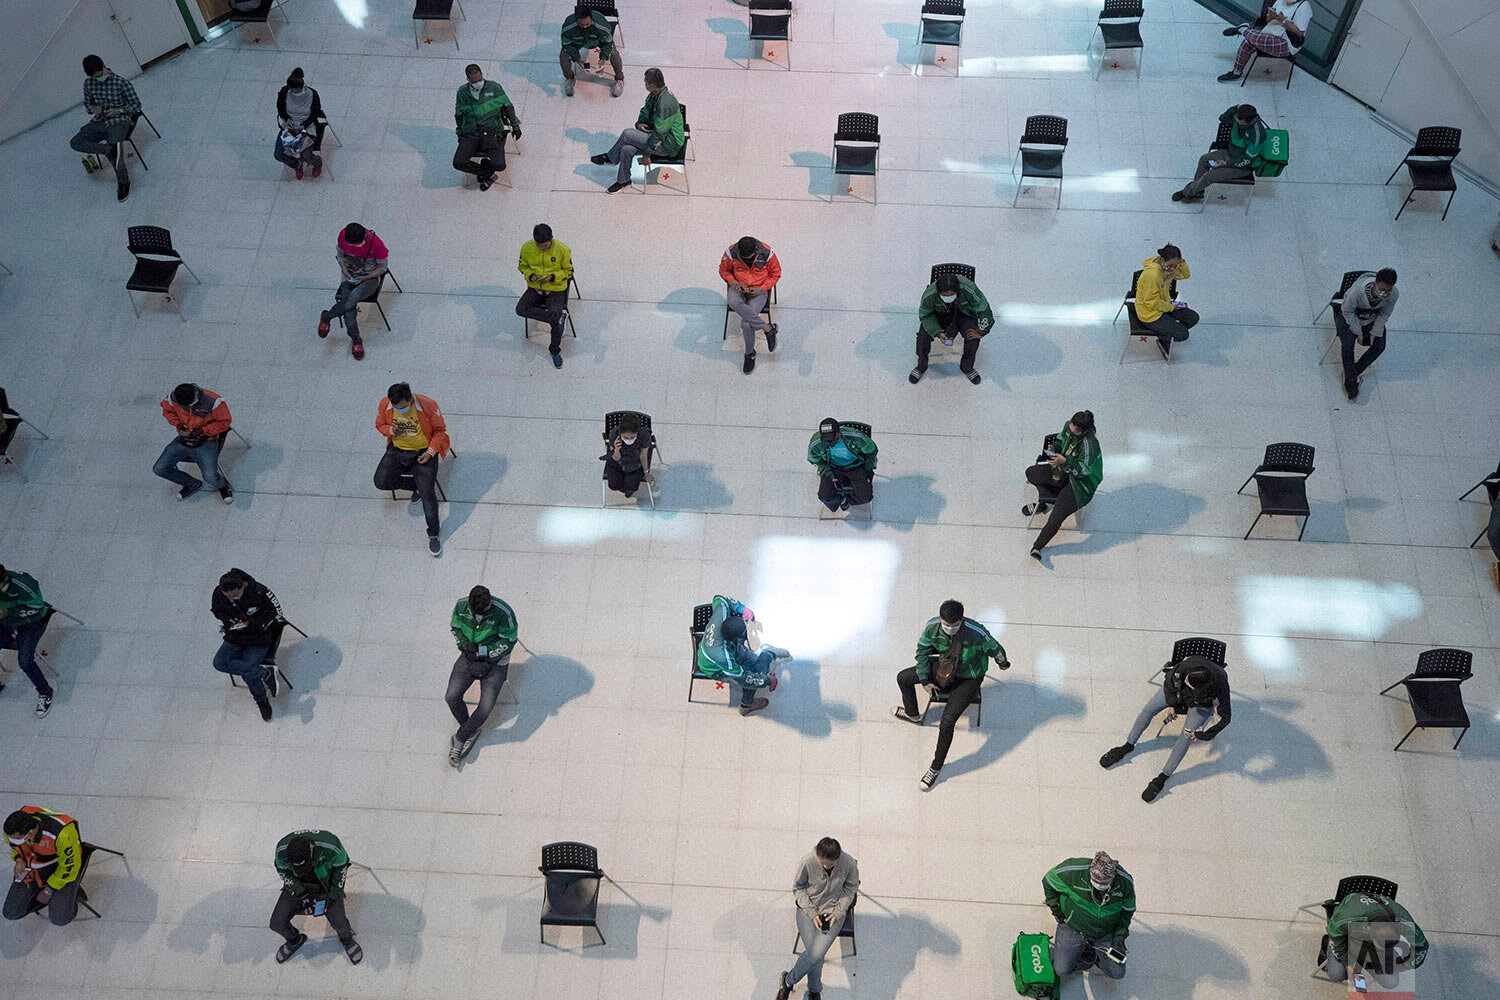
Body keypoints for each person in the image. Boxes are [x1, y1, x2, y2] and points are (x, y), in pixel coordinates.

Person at [892, 599, 1009, 790]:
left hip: (968, 678)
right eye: (946, 625)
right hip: (945, 667)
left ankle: (936, 768)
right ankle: (913, 715)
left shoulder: (976, 632)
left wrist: (1002, 663)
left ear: (961, 620)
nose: (949, 628)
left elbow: (996, 649)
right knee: (903, 678)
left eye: (954, 625)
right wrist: (925, 679)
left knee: (947, 722)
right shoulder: (932, 627)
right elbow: (922, 651)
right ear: (940, 619)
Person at [1099, 654, 1232, 802]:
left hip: (1201, 704)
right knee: (1148, 709)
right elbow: (1171, 682)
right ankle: (1128, 745)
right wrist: (1172, 704)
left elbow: (1223, 717)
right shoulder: (1187, 667)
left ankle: (1164, 776)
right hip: (1178, 692)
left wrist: (1201, 733)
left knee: (1186, 736)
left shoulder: (1220, 687)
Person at [776, 838, 860, 1000]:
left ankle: (788, 981)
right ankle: (814, 990)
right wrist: (812, 913)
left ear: (838, 857)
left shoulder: (848, 863)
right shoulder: (807, 862)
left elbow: (851, 888)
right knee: (816, 955)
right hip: (808, 910)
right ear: (818, 855)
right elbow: (798, 889)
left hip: (834, 912)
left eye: (831, 864)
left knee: (815, 954)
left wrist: (837, 913)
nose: (827, 867)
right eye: (823, 864)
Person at [373, 383, 450, 557]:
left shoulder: (427, 405)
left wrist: (430, 452)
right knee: (381, 481)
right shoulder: (386, 404)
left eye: (402, 408)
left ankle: (433, 534)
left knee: (428, 496)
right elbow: (379, 425)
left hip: (424, 452)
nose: (399, 411)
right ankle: (415, 486)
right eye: (395, 408)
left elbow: (440, 431)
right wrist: (390, 430)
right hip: (397, 450)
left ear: (410, 399)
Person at [446, 585, 518, 765]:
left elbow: (509, 641)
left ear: (490, 602)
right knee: (451, 696)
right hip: (469, 655)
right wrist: (465, 646)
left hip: (495, 660)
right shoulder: (461, 607)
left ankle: (460, 738)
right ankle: (469, 730)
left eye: (485, 610)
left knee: (485, 708)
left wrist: (483, 652)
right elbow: (455, 629)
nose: (481, 613)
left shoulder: (503, 613)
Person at [271, 830, 361, 965]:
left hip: (326, 883)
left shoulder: (331, 847)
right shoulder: (281, 852)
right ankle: (295, 939)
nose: (303, 869)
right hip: (298, 885)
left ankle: (346, 939)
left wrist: (331, 897)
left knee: (339, 921)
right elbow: (284, 874)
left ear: (312, 851)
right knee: (276, 923)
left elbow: (341, 870)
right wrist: (303, 895)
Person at [1023, 410, 1103, 560]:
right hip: (1063, 469)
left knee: (1056, 517)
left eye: (1076, 431)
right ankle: (1045, 503)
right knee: (1031, 473)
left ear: (1085, 431)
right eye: (1071, 426)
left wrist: (1065, 462)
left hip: (1080, 484)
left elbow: (1083, 471)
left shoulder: (1090, 446)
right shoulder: (1069, 426)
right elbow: (1060, 441)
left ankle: (1037, 546)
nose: (1071, 431)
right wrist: (1054, 449)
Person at [1043, 852, 1135, 981]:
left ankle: (1094, 956)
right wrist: (1055, 908)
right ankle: (1084, 956)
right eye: (1096, 882)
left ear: (1113, 877)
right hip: (1074, 926)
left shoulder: (1125, 883)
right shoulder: (1071, 871)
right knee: (1061, 970)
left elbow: (1127, 913)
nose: (1100, 887)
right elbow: (1048, 880)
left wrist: (1119, 938)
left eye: (1104, 884)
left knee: (1117, 973)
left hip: (1105, 931)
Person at [589, 67, 683, 194]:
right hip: (657, 134)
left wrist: (647, 155)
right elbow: (645, 111)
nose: (644, 84)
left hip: (668, 144)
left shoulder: (665, 104)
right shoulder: (655, 94)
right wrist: (639, 124)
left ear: (652, 84)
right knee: (626, 149)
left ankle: (611, 158)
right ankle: (624, 180)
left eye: (646, 82)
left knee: (627, 134)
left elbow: (660, 135)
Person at [695, 595, 792, 716]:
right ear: (734, 638)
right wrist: (767, 681)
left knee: (758, 667)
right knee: (755, 678)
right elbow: (744, 678)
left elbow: (719, 598)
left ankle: (767, 655)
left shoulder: (722, 613)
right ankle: (746, 705)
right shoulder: (723, 657)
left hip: (730, 650)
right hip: (717, 669)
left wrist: (741, 609)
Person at [211, 569, 285, 722]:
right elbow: (217, 610)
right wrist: (228, 619)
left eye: (235, 595)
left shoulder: (260, 592)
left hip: (258, 638)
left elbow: (276, 612)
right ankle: (265, 674)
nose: (232, 599)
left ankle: (261, 699)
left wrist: (257, 624)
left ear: (243, 586)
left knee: (247, 673)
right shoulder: (219, 593)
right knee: (219, 663)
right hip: (235, 636)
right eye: (228, 596)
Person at [69, 55, 141, 201]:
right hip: (100, 120)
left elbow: (136, 105)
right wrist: (92, 109)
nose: (98, 79)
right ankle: (108, 150)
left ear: (104, 67)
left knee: (115, 148)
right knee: (75, 142)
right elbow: (87, 105)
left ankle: (123, 182)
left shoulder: (121, 83)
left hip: (119, 120)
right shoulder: (88, 84)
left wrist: (118, 110)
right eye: (95, 78)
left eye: (99, 76)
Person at [1320, 889, 1427, 987]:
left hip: (1368, 941)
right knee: (1337, 974)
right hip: (1345, 937)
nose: (1382, 951)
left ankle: (1365, 958)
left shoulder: (1403, 921)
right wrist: (1347, 964)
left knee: (1391, 982)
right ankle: (1326, 944)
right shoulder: (1347, 917)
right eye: (1380, 946)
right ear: (1369, 930)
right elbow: (1334, 934)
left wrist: (1405, 965)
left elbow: (1422, 946)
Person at [318, 223, 389, 360]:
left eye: (359, 244)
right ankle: (356, 339)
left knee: (351, 299)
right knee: (349, 313)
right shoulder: (343, 236)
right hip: (349, 277)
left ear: (365, 235)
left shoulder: (377, 245)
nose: (356, 247)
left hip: (369, 279)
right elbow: (340, 256)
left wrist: (364, 278)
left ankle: (328, 316)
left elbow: (382, 268)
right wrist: (344, 269)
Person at [154, 383, 233, 503]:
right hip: (183, 441)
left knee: (210, 477)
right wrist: (178, 424)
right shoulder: (173, 397)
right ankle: (192, 484)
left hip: (208, 441)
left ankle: (222, 485)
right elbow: (167, 411)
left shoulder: (214, 402)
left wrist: (203, 430)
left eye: (189, 405)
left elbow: (225, 422)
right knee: (160, 468)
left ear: (195, 396)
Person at [4, 807, 83, 925]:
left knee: (60, 919)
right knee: (11, 912)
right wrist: (19, 860)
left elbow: (69, 867)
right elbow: (14, 847)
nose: (13, 841)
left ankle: (69, 897)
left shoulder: (62, 833)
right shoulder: (14, 829)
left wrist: (48, 890)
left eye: (19, 840)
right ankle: (48, 898)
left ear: (30, 833)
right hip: (32, 868)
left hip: (61, 871)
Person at [911, 272, 993, 385]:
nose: (948, 298)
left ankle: (967, 367)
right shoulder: (929, 295)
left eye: (951, 295)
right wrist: (937, 332)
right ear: (938, 292)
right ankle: (921, 366)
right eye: (945, 295)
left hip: (964, 313)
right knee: (922, 337)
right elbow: (925, 316)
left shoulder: (969, 288)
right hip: (940, 314)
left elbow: (983, 308)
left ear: (958, 290)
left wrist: (982, 331)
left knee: (973, 338)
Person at [1173, 104, 1265, 203]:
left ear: (1248, 121)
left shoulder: (1257, 136)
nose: (1237, 122)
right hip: (1231, 153)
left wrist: (1226, 163)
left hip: (1242, 166)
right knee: (1204, 160)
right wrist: (1235, 108)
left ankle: (1187, 192)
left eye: (1240, 121)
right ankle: (1198, 191)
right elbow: (1223, 118)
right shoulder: (1239, 116)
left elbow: (1247, 159)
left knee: (1210, 175)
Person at [453, 63, 521, 191]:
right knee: (458, 162)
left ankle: (486, 171)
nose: (478, 83)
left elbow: (508, 107)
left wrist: (515, 125)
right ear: (468, 80)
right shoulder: (462, 93)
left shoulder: (495, 88)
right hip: (470, 133)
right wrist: (460, 132)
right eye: (474, 81)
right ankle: (487, 173)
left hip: (492, 131)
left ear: (482, 75)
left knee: (500, 165)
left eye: (480, 79)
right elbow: (458, 115)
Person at [719, 236, 781, 374]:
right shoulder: (730, 252)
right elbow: (724, 271)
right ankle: (767, 328)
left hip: (758, 291)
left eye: (750, 258)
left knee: (746, 324)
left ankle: (749, 354)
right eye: (744, 258)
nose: (747, 260)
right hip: (738, 287)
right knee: (733, 301)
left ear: (756, 251)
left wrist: (762, 288)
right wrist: (734, 283)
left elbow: (775, 274)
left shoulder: (767, 254)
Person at [516, 223, 574, 368]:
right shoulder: (527, 247)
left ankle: (555, 351)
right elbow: (522, 267)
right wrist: (531, 275)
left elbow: (569, 272)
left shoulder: (563, 250)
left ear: (551, 239)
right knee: (520, 309)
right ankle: (557, 318)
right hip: (535, 287)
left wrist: (552, 278)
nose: (541, 248)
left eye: (545, 246)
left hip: (555, 289)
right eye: (538, 245)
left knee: (553, 317)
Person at [0, 565, 55, 718]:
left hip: (30, 622)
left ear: (3, 581)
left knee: (25, 661)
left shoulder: (24, 585)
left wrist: (10, 613)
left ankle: (45, 691)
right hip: (5, 621)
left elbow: (37, 607)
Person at [1335, 268, 1398, 400]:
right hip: (1349, 317)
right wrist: (1358, 332)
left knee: (1379, 346)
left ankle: (1352, 373)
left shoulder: (1393, 295)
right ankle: (1351, 380)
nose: (1384, 294)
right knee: (1347, 345)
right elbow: (1347, 312)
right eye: (1382, 289)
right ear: (1375, 283)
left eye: (1388, 290)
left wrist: (1375, 332)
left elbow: (1384, 314)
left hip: (1370, 318)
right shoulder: (1357, 292)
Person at [1218, 0, 1312, 82]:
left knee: (1255, 38)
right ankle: (1236, 72)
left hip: (1287, 43)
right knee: (1247, 42)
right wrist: (1271, 16)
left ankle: (1243, 30)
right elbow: (1268, 21)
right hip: (1272, 33)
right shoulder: (1280, 1)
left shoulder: (1304, 6)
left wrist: (1283, 21)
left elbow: (1299, 33)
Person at [1131, 245, 1196, 359]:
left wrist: (1182, 262)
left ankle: (1168, 332)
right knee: (1183, 334)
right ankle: (1164, 337)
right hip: (1149, 313)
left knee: (1193, 318)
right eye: (1171, 265)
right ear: (1162, 260)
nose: (1172, 269)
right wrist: (1171, 307)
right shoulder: (1153, 275)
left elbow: (1185, 275)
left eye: (1175, 266)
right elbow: (1151, 303)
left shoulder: (1167, 266)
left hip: (1164, 304)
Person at [807, 418, 876, 512]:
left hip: (856, 466)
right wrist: (826, 471)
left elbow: (871, 452)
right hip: (832, 467)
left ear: (839, 432)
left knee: (866, 497)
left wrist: (868, 470)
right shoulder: (817, 442)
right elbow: (815, 460)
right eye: (827, 440)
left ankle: (848, 499)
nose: (831, 443)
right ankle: (842, 501)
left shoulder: (855, 436)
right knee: (824, 495)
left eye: (833, 439)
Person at [561, 6, 625, 98]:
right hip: (578, 42)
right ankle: (569, 78)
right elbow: (567, 45)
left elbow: (608, 43)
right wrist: (576, 58)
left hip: (598, 41)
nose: (585, 27)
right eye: (581, 24)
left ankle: (620, 79)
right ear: (576, 20)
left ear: (591, 18)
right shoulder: (568, 28)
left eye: (587, 24)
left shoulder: (602, 27)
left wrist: (603, 57)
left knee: (614, 54)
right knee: (563, 55)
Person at [274, 67, 323, 179]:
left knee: (306, 156)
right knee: (278, 155)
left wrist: (304, 125)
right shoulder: (284, 91)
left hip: (306, 127)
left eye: (295, 91)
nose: (293, 93)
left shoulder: (312, 94)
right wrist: (286, 118)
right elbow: (280, 108)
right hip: (290, 127)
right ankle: (296, 164)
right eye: (291, 90)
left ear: (301, 87)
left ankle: (317, 163)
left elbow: (315, 113)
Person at [604, 413, 654, 498]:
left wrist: (646, 473)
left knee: (632, 486)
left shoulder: (644, 435)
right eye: (626, 438)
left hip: (635, 462)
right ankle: (625, 487)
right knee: (614, 485)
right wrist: (616, 449)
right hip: (618, 462)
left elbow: (643, 456)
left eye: (632, 437)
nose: (629, 440)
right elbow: (616, 458)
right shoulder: (614, 435)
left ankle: (629, 490)